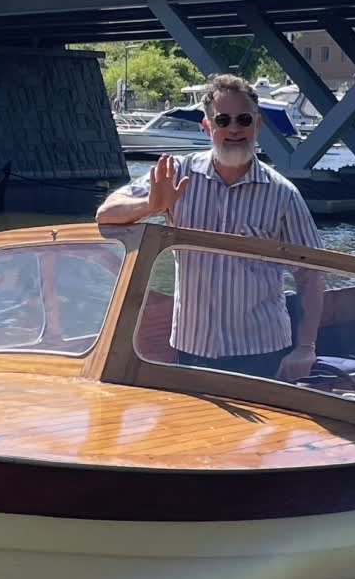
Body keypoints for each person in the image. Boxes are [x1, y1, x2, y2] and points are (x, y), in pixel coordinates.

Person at [97, 72, 323, 381]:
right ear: (207, 126)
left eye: (243, 120)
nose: (233, 129)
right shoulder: (175, 174)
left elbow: (310, 274)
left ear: (257, 125)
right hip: (192, 348)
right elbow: (105, 214)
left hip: (262, 351)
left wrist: (306, 347)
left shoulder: (284, 194)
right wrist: (152, 205)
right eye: (222, 120)